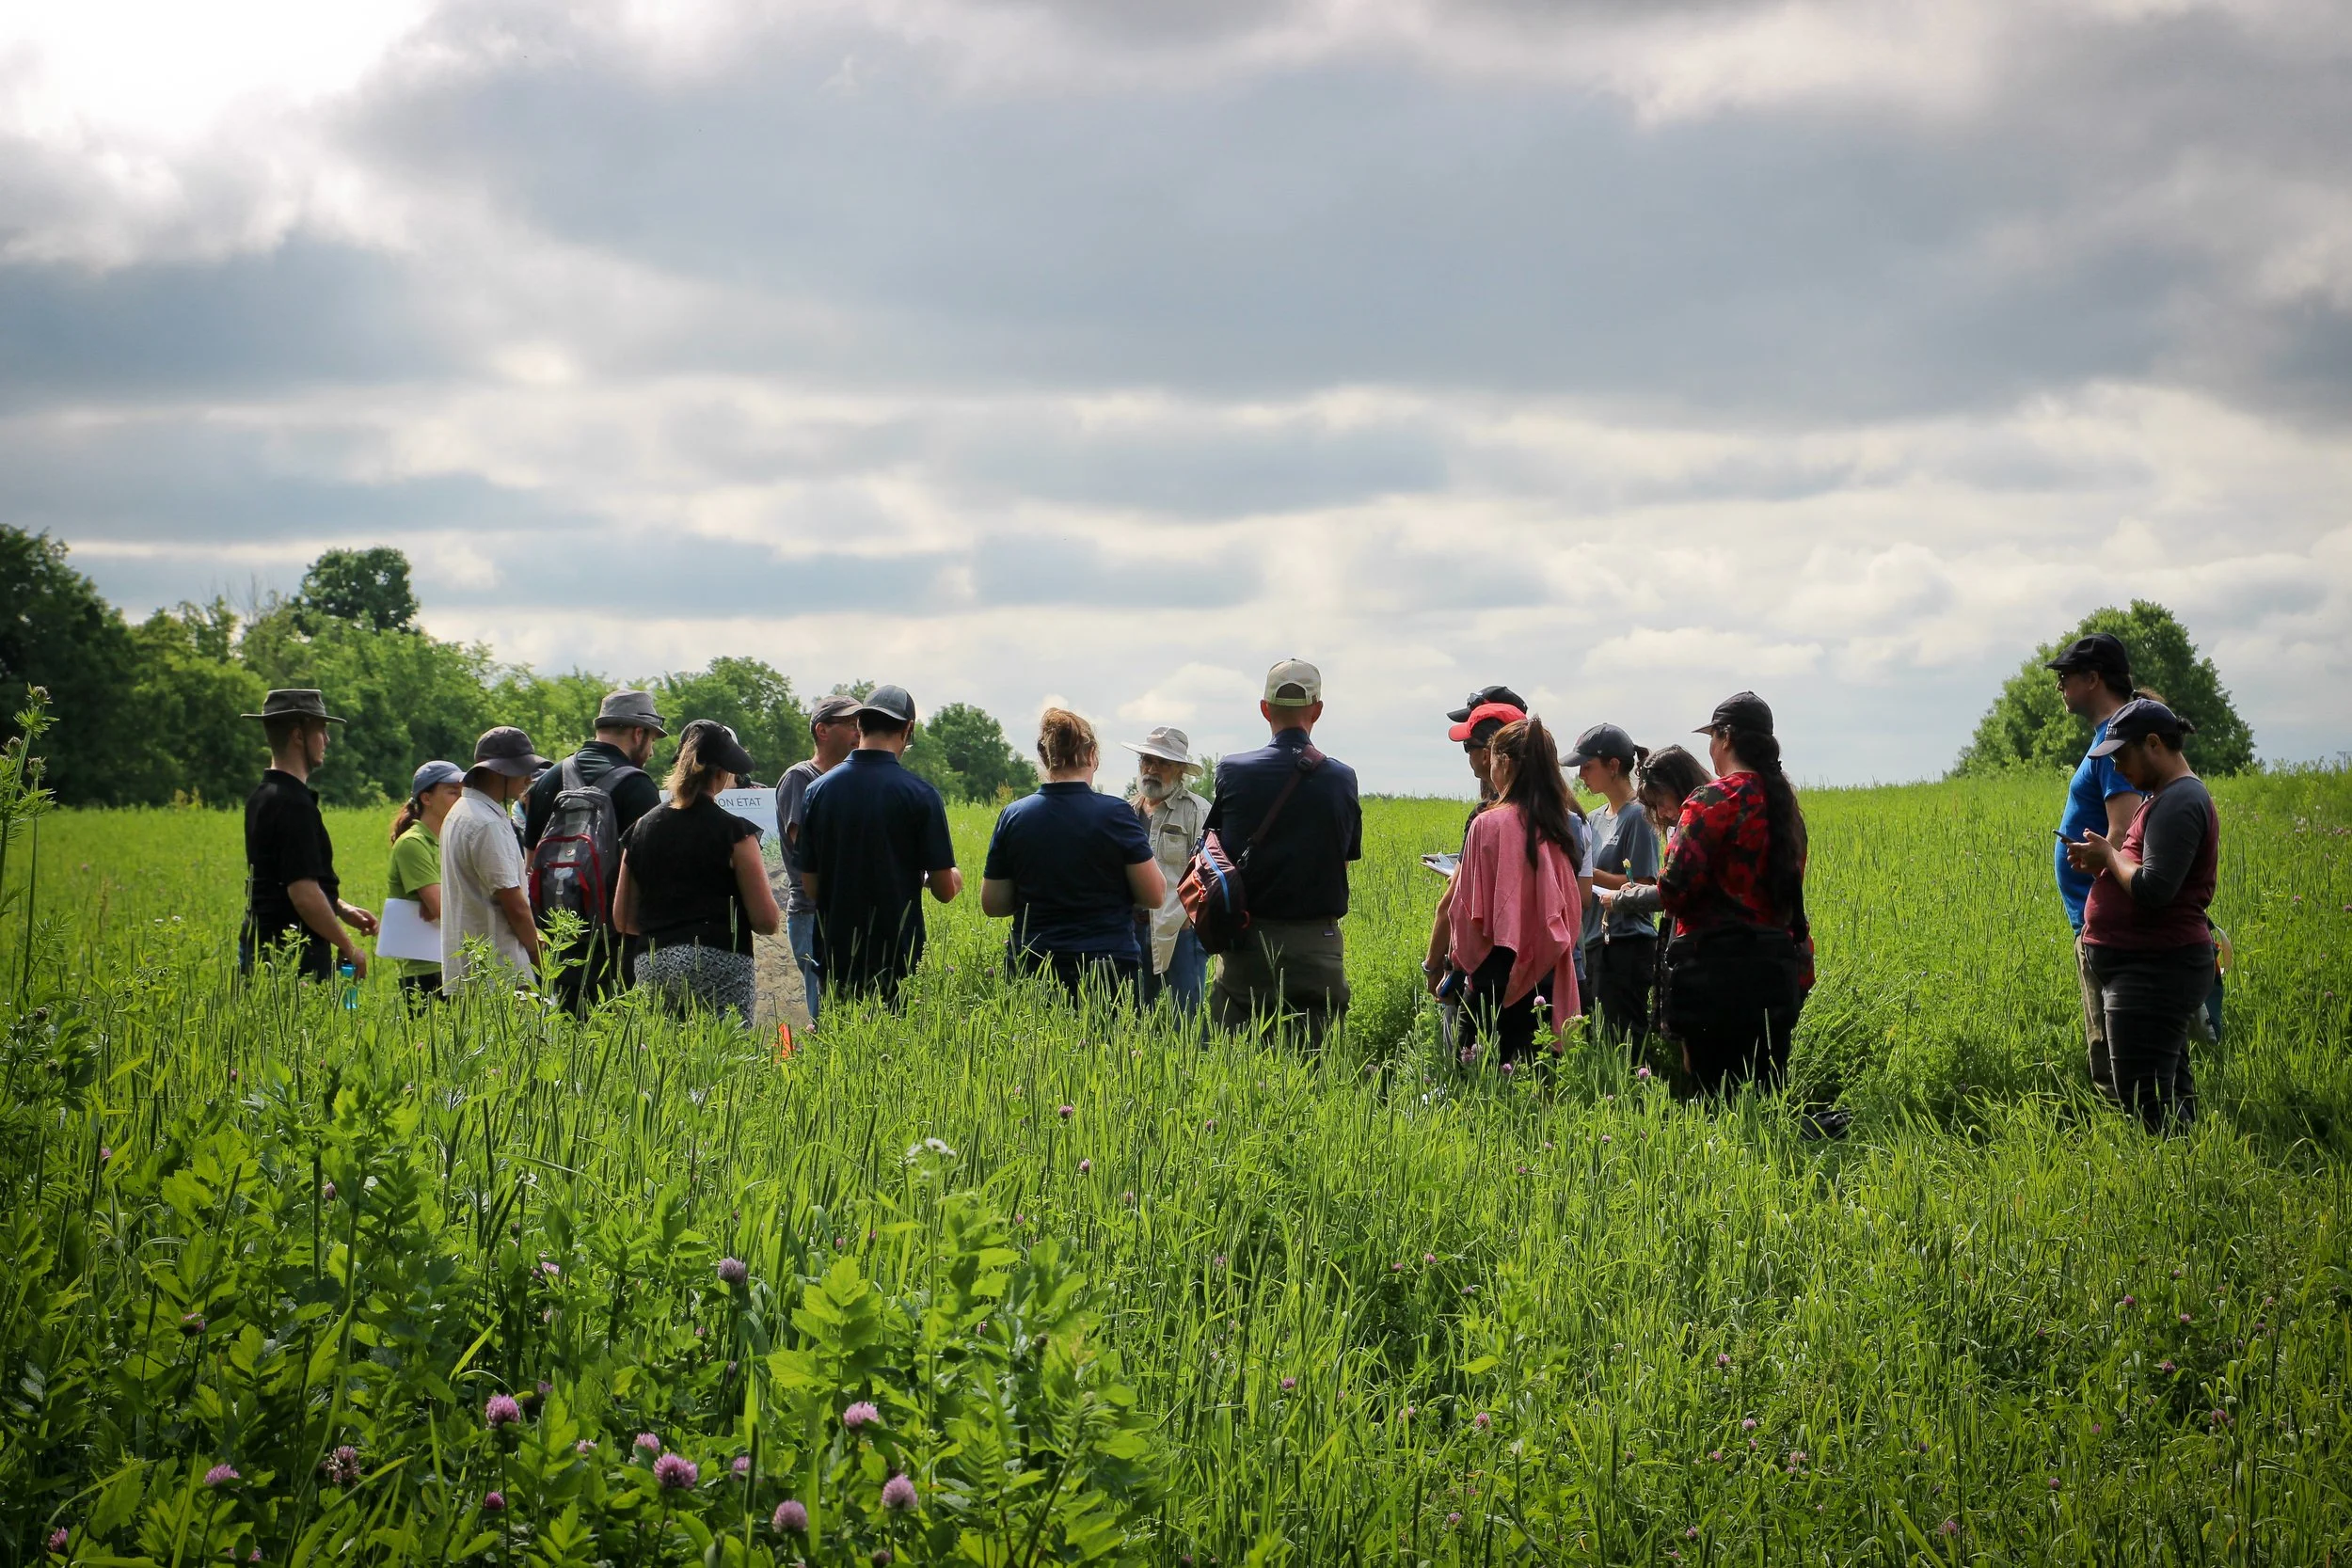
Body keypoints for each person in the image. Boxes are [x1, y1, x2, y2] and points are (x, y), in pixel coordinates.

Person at [2066, 698, 2217, 1131]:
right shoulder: (2165, 798)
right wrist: (2106, 860)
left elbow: (2153, 888)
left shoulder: (2181, 800)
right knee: (2165, 1099)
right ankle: (2191, 1178)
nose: (2117, 770)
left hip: (2154, 970)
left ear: (2153, 744)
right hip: (2145, 969)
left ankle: (2173, 1187)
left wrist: (2110, 857)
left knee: (2146, 1106)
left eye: (2122, 756)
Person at [1655, 692, 1812, 1096]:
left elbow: (1673, 889)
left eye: (1712, 737)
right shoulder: (1786, 809)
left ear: (1725, 738)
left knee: (1712, 1105)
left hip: (1712, 975)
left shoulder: (1712, 800)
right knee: (1764, 1099)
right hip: (1775, 974)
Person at [1203, 658, 1362, 1047]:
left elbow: (1218, 850)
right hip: (1317, 944)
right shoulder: (1342, 778)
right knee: (1315, 1070)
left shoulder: (1233, 771)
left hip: (1248, 944)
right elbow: (1343, 858)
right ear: (1318, 710)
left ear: (1264, 709)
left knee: (1236, 1067)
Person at [981, 708, 1163, 1003]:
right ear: (1092, 755)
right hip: (1107, 967)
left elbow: (993, 904)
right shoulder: (1117, 814)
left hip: (1033, 963)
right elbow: (1154, 894)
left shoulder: (1014, 816)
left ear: (1043, 757)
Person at [799, 685, 962, 1006]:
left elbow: (811, 885)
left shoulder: (817, 791)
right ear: (908, 729)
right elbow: (944, 890)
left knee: (842, 1045)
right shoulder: (920, 795)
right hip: (899, 958)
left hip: (836, 957)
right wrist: (955, 876)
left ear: (859, 726)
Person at [614, 720, 782, 1026]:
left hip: (655, 961)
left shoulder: (639, 830)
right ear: (721, 774)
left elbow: (622, 918)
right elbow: (766, 921)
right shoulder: (737, 833)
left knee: (662, 1060)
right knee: (725, 1059)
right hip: (721, 960)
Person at [1438, 718, 1584, 1065]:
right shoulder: (1563, 823)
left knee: (1481, 1087)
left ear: (1502, 762)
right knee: (1540, 1088)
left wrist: (1458, 965)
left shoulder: (1487, 823)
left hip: (1493, 975)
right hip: (1548, 974)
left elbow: (1464, 913)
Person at [523, 689, 667, 1012]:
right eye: (653, 740)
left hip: (558, 944)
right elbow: (653, 875)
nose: (652, 752)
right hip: (618, 949)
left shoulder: (548, 780)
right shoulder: (638, 786)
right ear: (638, 732)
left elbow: (531, 865)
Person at [2048, 632, 2145, 1095]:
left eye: (2065, 677)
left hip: (2106, 923)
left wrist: (2096, 865)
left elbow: (2125, 835)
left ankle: (2138, 1147)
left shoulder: (2114, 742)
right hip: (2098, 917)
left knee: (2113, 1052)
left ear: (2093, 678)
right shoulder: (2111, 738)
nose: (2060, 686)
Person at [239, 689, 378, 981]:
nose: (327, 740)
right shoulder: (293, 805)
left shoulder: (263, 796)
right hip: (292, 958)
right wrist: (348, 947)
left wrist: (340, 908)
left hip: (262, 948)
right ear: (298, 736)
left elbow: (285, 876)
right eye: (321, 730)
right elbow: (302, 893)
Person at [1425, 694, 1525, 1054]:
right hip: (1539, 968)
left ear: (1493, 754)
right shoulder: (1564, 816)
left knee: (1471, 1069)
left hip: (1486, 968)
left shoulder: (1487, 819)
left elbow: (1454, 902)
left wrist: (1436, 964)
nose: (1466, 755)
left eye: (1468, 746)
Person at [1568, 722, 1661, 1051]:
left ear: (1613, 766)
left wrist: (1586, 873)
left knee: (1624, 1042)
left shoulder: (1640, 816)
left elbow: (1647, 884)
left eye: (1588, 766)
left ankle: (1636, 1100)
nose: (1581, 774)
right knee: (1598, 1041)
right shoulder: (1592, 819)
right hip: (1595, 941)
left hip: (1627, 943)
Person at [440, 727, 548, 992]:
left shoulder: (461, 811)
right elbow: (514, 903)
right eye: (521, 769)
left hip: (470, 970)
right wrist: (540, 959)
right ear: (499, 771)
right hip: (500, 973)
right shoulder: (485, 823)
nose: (528, 778)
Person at [774, 693, 861, 1022]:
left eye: (861, 725)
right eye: (851, 725)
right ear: (822, 731)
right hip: (812, 913)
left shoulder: (847, 782)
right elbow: (807, 848)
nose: (858, 732)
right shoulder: (801, 778)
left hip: (843, 910)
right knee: (823, 1008)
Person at [1122, 724, 1211, 1012]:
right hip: (1131, 929)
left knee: (1186, 1020)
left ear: (1181, 770)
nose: (1152, 769)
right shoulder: (1125, 812)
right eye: (1147, 761)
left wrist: (1189, 918)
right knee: (1130, 1014)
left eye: (1163, 763)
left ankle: (1190, 1059)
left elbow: (1208, 872)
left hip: (1179, 930)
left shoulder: (1197, 810)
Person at [384, 759, 466, 1001]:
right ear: (426, 798)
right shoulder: (413, 843)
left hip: (455, 962)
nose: (460, 799)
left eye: (463, 793)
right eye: (452, 792)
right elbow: (441, 908)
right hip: (427, 971)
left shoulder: (451, 840)